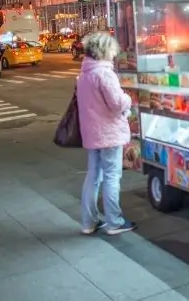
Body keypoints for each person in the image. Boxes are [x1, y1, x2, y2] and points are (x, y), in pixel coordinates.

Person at [76, 30, 136, 235]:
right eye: (112, 50)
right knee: (112, 176)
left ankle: (89, 221)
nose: (114, 54)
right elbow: (117, 103)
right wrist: (128, 98)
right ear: (103, 50)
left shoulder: (84, 74)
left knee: (93, 176)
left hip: (92, 133)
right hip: (109, 134)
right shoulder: (104, 73)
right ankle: (114, 222)